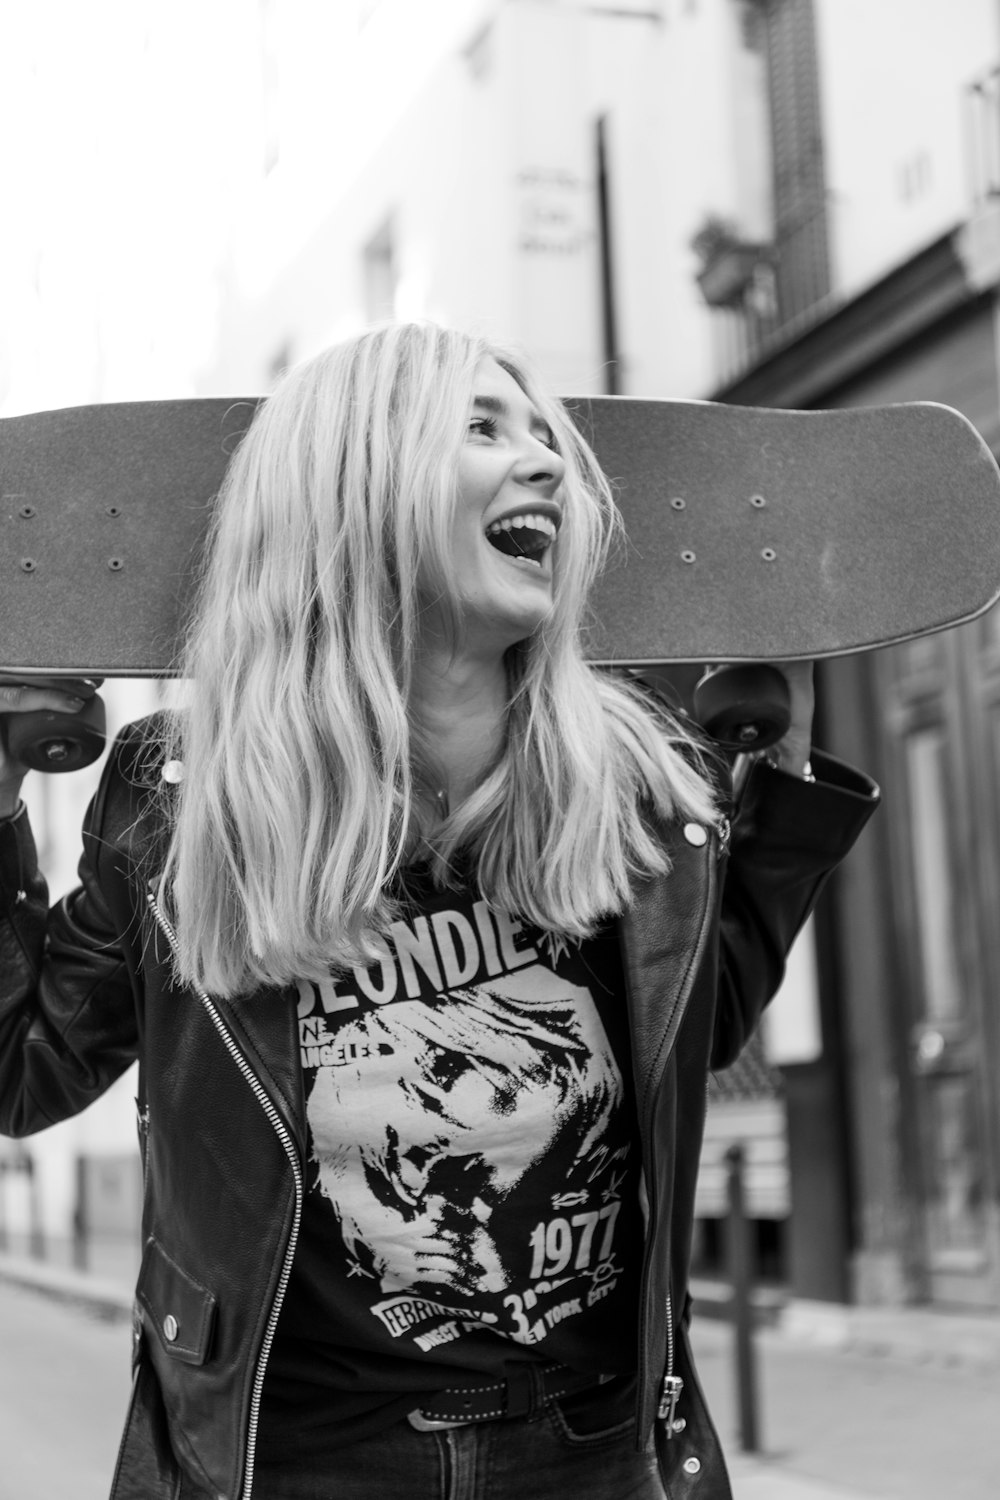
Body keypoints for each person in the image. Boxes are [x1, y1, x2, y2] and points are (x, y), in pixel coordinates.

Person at [0, 322, 878, 1500]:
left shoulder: (624, 783)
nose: (548, 464)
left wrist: (783, 789)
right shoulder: (183, 797)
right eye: (480, 428)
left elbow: (696, 1029)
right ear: (349, 491)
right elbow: (23, 1073)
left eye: (545, 438)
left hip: (591, 1454)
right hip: (288, 1459)